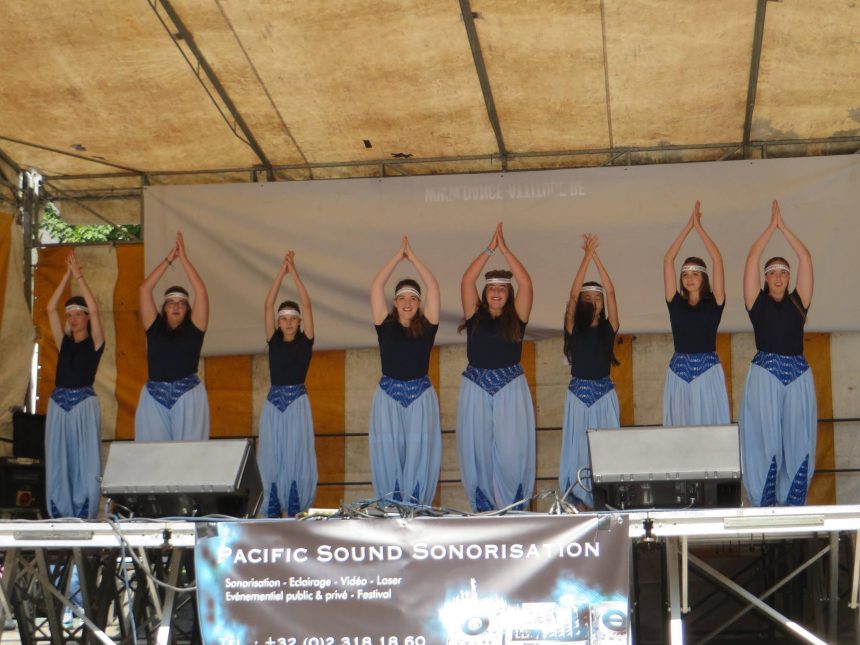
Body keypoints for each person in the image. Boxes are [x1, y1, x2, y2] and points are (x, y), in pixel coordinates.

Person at [740, 200, 816, 506]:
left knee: (798, 442)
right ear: (766, 278)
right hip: (765, 372)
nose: (779, 277)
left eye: (783, 272)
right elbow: (752, 257)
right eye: (773, 273)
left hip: (798, 373)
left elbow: (805, 258)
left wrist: (784, 228)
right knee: (765, 440)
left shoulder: (799, 302)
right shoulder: (756, 303)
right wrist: (770, 228)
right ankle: (763, 501)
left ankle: (792, 502)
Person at [457, 223, 535, 512]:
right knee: (477, 450)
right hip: (475, 386)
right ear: (485, 292)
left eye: (502, 289)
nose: (496, 294)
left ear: (509, 294)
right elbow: (467, 280)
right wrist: (490, 249)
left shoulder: (518, 316)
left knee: (513, 452)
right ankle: (484, 510)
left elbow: (526, 283)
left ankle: (513, 508)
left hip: (510, 386)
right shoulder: (474, 315)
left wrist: (506, 250)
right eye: (491, 289)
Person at [369, 236, 441, 505]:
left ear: (419, 302)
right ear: (395, 302)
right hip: (387, 396)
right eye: (402, 298)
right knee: (389, 453)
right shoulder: (384, 324)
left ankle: (418, 507)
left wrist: (413, 258)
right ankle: (391, 507)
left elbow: (433, 286)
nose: (407, 303)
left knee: (419, 453)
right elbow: (377, 285)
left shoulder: (428, 324)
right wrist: (397, 257)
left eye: (413, 298)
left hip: (420, 396)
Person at [559, 234, 620, 509]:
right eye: (589, 297)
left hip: (604, 393)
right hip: (578, 394)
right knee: (576, 449)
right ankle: (577, 501)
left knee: (607, 450)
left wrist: (597, 258)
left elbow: (612, 291)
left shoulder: (609, 327)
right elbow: (571, 295)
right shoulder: (574, 328)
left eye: (597, 297)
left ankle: (604, 501)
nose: (594, 300)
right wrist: (585, 257)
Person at [45, 250, 105, 518]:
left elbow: (95, 308)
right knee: (59, 460)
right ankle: (60, 512)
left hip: (83, 403)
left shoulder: (95, 343)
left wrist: (79, 277)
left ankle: (84, 511)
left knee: (85, 459)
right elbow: (49, 308)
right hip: (59, 403)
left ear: (87, 318)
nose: (74, 318)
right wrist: (66, 276)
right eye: (70, 315)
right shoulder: (63, 343)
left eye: (79, 314)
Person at [135, 232, 210, 441]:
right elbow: (144, 289)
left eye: (181, 303)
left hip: (188, 393)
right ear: (164, 308)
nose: (176, 306)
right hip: (154, 395)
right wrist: (170, 259)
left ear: (187, 309)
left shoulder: (195, 328)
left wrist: (184, 258)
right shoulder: (154, 327)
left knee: (189, 456)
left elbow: (201, 292)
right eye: (171, 303)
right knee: (154, 456)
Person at [258, 251, 317, 517]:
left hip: (297, 402)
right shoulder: (273, 340)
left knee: (296, 453)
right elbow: (267, 305)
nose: (289, 322)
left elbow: (307, 304)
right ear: (279, 323)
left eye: (293, 318)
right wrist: (280, 273)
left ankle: (296, 507)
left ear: (299, 322)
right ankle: (271, 505)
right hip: (274, 402)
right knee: (272, 454)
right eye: (284, 318)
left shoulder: (306, 341)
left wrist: (293, 271)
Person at [662, 200, 730, 426]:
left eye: (695, 274)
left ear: (704, 278)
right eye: (685, 274)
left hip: (708, 372)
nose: (689, 278)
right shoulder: (675, 302)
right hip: (678, 373)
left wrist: (699, 227)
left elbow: (717, 259)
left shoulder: (715, 301)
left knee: (709, 428)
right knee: (680, 432)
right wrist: (687, 227)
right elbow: (668, 260)